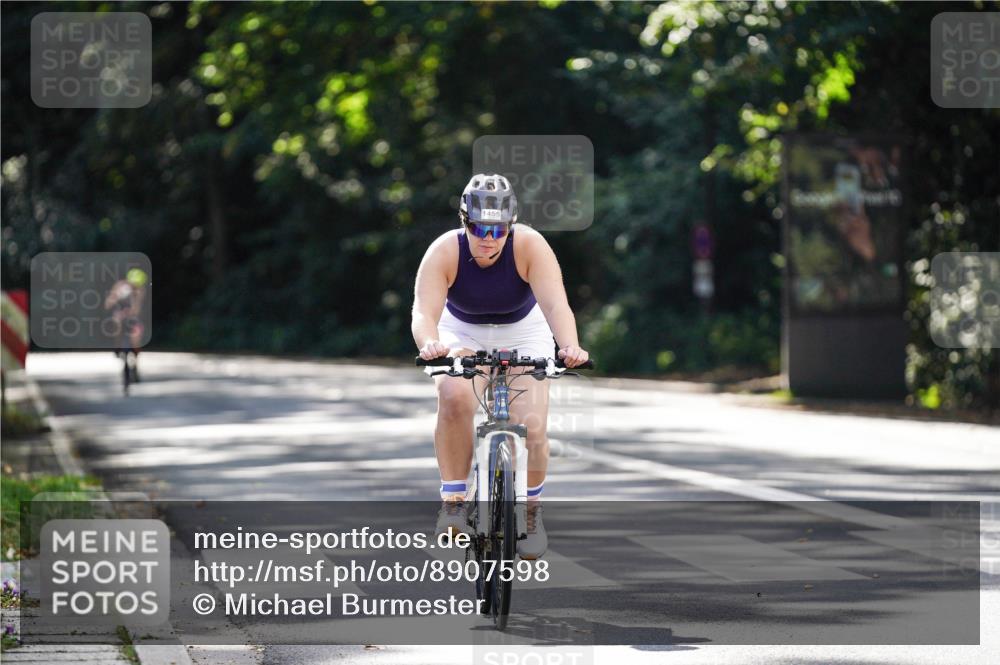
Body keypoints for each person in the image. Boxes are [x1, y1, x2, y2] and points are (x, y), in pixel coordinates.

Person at [411, 173, 589, 560]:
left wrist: (570, 346)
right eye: (479, 227)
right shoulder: (445, 251)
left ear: (511, 225)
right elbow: (424, 312)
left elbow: (556, 305)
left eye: (499, 229)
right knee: (455, 394)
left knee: (532, 423)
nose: (489, 237)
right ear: (464, 221)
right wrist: (431, 345)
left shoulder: (530, 245)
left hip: (524, 330)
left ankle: (530, 513)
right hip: (462, 330)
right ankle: (455, 502)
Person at [104, 268, 148, 380]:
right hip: (120, 317)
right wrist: (116, 297)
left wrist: (135, 297)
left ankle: (136, 364)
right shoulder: (119, 286)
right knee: (116, 322)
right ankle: (117, 347)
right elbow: (107, 304)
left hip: (133, 319)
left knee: (136, 338)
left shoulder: (140, 291)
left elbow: (136, 310)